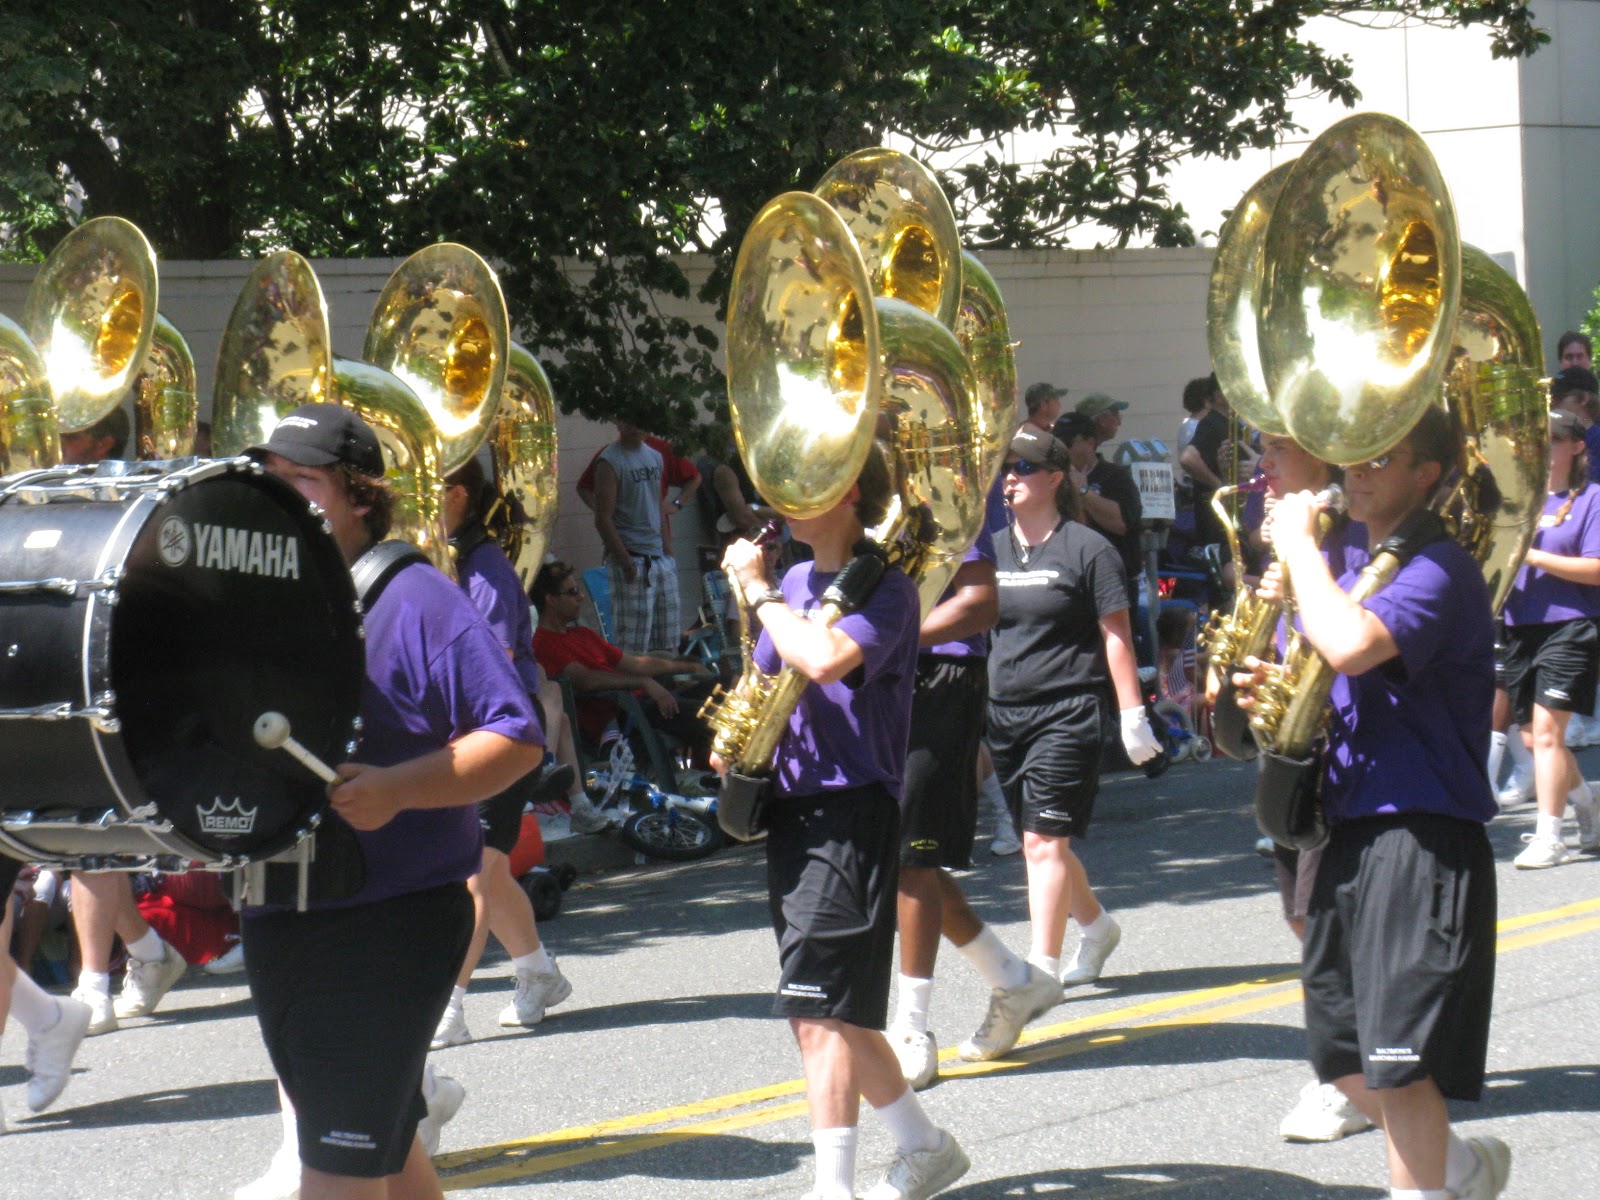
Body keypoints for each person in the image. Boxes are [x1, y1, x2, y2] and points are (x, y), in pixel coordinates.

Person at [240, 404, 544, 1200]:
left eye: (303, 481)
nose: (282, 497)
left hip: (387, 921)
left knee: (338, 1178)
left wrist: (398, 790)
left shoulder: (419, 599)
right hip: (280, 909)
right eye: (271, 481)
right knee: (389, 1161)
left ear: (359, 498)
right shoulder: (257, 597)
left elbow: (517, 736)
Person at [1234, 406, 1510, 1200]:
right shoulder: (1348, 564)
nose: (1357, 471)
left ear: (1426, 475)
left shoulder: (1437, 565)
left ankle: (1426, 1186)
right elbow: (1320, 673)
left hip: (1418, 830)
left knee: (1398, 1061)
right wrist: (1267, 694)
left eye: (1381, 459)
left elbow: (1351, 645)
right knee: (1343, 1057)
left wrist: (1293, 547)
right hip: (1344, 825)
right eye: (1356, 457)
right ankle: (1457, 1168)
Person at [716, 444, 968, 1200]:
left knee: (816, 1008)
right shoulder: (793, 578)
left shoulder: (888, 590)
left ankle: (834, 1188)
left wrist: (758, 596)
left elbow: (822, 659)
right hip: (793, 805)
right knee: (832, 1006)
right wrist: (734, 731)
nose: (785, 496)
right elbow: (769, 672)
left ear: (851, 492)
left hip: (852, 807)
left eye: (808, 484)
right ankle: (924, 1146)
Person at [971, 428, 1160, 1063]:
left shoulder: (1090, 550)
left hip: (1069, 711)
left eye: (1023, 467)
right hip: (1006, 714)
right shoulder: (990, 551)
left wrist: (1133, 717)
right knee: (1042, 838)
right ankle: (1098, 929)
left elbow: (1116, 636)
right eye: (1005, 468)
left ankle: (1037, 972)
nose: (1010, 478)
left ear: (1056, 477)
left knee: (1041, 843)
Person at [883, 481, 1053, 1092]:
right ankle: (1011, 976)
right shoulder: (843, 490)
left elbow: (979, 604)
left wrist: (886, 640)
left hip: (938, 671)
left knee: (912, 857)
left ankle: (910, 1026)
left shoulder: (939, 489)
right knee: (895, 857)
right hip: (880, 675)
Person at [1232, 432, 1375, 1145]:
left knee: (1323, 918)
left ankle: (1344, 1073)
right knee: (1299, 912)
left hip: (1343, 746)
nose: (1264, 464)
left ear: (1319, 458)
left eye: (1278, 451)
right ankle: (1359, 1053)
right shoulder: (1287, 536)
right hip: (1293, 743)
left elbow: (1349, 631)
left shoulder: (1349, 537)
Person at [430, 459, 576, 1049]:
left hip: (500, 733)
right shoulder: (448, 559)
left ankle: (447, 1007)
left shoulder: (484, 564)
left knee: (473, 872)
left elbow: (485, 660)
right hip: (471, 732)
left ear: (459, 495)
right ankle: (538, 974)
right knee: (487, 870)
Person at [59, 405, 189, 1035]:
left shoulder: (136, 494)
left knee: (91, 832)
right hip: (65, 676)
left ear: (104, 439)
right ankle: (144, 952)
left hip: (120, 679)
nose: (58, 441)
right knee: (72, 835)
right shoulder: (49, 492)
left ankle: (94, 981)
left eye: (71, 431)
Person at [531, 560, 717, 816]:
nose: (582, 597)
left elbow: (633, 663)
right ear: (550, 600)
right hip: (624, 717)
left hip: (643, 704)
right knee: (712, 715)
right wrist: (643, 683)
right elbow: (586, 680)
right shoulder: (543, 644)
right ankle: (727, 782)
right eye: (573, 592)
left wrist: (684, 666)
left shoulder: (582, 634)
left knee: (723, 686)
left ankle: (714, 777)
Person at [1500, 410, 1600, 868]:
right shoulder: (1518, 501)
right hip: (1519, 625)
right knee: (1539, 737)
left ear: (1576, 446)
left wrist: (1531, 553)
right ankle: (1588, 804)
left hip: (1572, 625)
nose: (1541, 446)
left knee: (1546, 733)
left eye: (1552, 438)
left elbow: (1596, 569)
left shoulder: (1591, 499)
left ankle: (1550, 837)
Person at [587, 422, 700, 654]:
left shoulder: (655, 457)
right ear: (618, 422)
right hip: (632, 558)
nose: (636, 425)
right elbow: (603, 518)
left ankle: (667, 686)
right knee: (634, 645)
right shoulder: (610, 461)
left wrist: (667, 549)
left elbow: (657, 503)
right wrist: (625, 561)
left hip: (659, 557)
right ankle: (637, 689)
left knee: (668, 640)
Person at [1053, 410, 1143, 598]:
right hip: (1069, 580)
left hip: (1114, 582)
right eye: (1056, 443)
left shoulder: (1116, 476)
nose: (1061, 449)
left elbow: (1122, 524)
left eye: (1067, 442)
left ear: (1090, 443)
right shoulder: (1052, 479)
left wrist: (1083, 492)